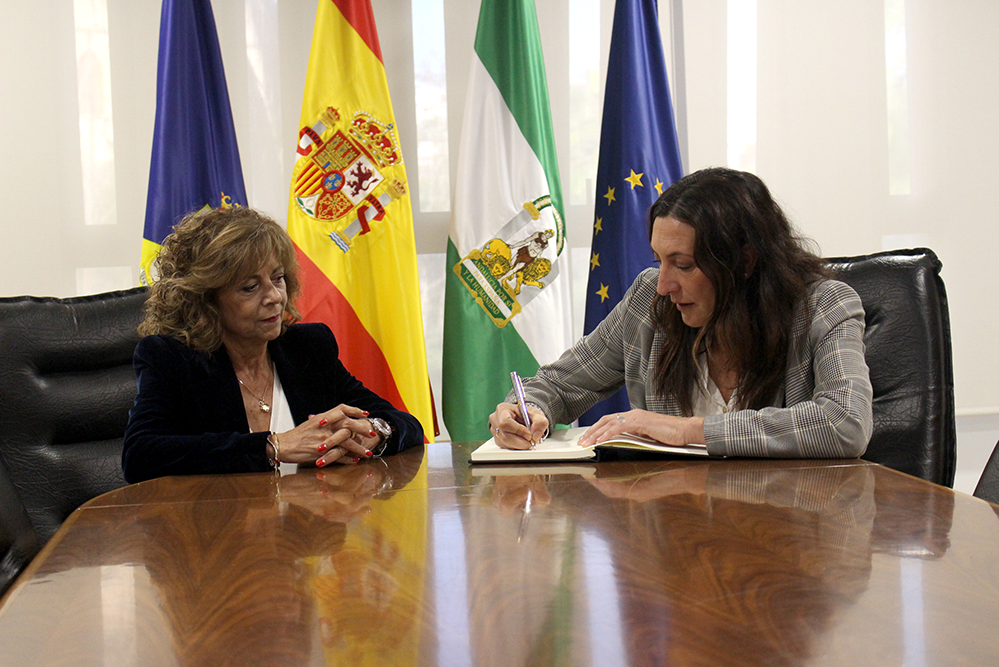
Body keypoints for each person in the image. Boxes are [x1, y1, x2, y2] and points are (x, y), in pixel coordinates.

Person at [488, 167, 873, 458]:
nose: (663, 284)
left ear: (744, 261)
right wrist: (526, 410)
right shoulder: (648, 304)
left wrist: (689, 430)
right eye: (660, 261)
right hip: (677, 533)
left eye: (684, 265)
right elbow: (558, 384)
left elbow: (845, 422)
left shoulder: (824, 306)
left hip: (791, 533)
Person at [122, 207, 423, 483]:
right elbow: (141, 456)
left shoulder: (307, 348)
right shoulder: (173, 359)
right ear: (206, 300)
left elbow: (405, 423)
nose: (275, 297)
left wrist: (377, 433)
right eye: (250, 287)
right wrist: (274, 445)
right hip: (218, 532)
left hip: (309, 531)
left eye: (277, 278)